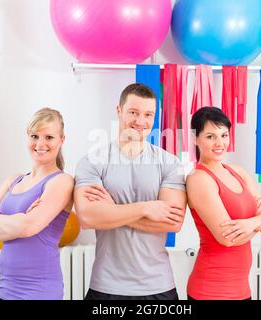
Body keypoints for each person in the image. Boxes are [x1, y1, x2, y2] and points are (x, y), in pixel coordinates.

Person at [74, 83, 187, 300]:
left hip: (158, 286)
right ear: (119, 111)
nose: (140, 121)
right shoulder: (91, 162)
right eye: (133, 113)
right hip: (106, 286)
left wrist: (112, 211)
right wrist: (147, 208)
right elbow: (88, 217)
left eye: (148, 114)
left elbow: (173, 222)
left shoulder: (169, 163)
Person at [0, 108, 74, 300]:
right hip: (5, 289)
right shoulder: (13, 180)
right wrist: (21, 222)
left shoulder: (62, 182)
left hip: (40, 291)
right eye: (34, 136)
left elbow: (27, 227)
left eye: (49, 137)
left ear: (62, 140)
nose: (40, 144)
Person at [186, 107, 261, 300]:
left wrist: (249, 224)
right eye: (210, 136)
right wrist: (260, 222)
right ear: (195, 138)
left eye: (224, 135)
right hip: (211, 291)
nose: (220, 143)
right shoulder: (198, 179)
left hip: (242, 290)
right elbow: (228, 238)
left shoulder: (238, 172)